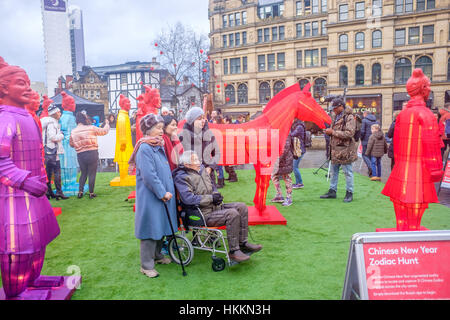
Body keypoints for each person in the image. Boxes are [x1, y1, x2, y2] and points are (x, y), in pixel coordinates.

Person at [0, 57, 60, 298]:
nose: (28, 88)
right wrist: (23, 180)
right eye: (20, 83)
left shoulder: (25, 116)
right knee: (17, 246)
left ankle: (33, 279)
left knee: (38, 239)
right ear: (3, 88)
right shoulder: (5, 118)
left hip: (34, 193)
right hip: (14, 196)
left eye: (28, 84)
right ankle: (16, 291)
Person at [173, 151, 263, 263]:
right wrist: (211, 198)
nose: (199, 162)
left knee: (242, 207)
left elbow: (212, 185)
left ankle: (242, 243)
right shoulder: (181, 177)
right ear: (187, 164)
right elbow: (188, 199)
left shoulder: (201, 169)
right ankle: (234, 251)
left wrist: (216, 195)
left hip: (214, 207)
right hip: (200, 214)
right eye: (195, 160)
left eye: (198, 159)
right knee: (232, 213)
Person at [382, 69, 443, 231]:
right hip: (418, 170)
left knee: (400, 203)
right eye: (427, 86)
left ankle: (401, 230)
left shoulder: (402, 115)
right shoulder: (427, 114)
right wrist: (436, 169)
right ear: (423, 89)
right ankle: (413, 234)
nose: (429, 89)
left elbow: (395, 143)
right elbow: (432, 146)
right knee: (416, 204)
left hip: (401, 167)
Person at [131, 114, 176, 278]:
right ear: (148, 130)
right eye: (158, 127)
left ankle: (157, 256)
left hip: (164, 194)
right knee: (150, 229)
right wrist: (161, 192)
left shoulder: (158, 145)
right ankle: (146, 265)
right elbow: (149, 175)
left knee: (161, 226)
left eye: (161, 127)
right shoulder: (144, 148)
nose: (161, 130)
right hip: (152, 196)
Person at [320, 96, 357, 203]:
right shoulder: (336, 116)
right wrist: (329, 132)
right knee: (334, 171)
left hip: (345, 150)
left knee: (348, 172)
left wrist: (332, 132)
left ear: (341, 106)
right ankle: (332, 191)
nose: (333, 110)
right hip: (335, 149)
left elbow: (350, 133)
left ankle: (349, 192)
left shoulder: (349, 117)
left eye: (335, 108)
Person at [70, 112, 110, 199]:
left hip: (80, 154)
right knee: (92, 173)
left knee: (83, 173)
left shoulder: (73, 131)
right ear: (85, 119)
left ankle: (80, 191)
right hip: (92, 152)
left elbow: (71, 144)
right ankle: (91, 193)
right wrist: (107, 124)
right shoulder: (91, 128)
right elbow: (104, 131)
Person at [179, 107, 220, 185]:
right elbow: (179, 158)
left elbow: (217, 153)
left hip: (208, 175)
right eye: (199, 118)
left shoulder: (209, 134)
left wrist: (210, 167)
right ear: (192, 121)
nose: (203, 120)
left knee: (210, 196)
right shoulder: (182, 136)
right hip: (190, 177)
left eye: (203, 118)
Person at [41, 105, 69, 200]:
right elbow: (52, 137)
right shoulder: (52, 123)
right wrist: (61, 135)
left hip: (49, 151)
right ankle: (57, 192)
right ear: (54, 113)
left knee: (50, 173)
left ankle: (50, 192)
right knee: (56, 172)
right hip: (52, 151)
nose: (60, 113)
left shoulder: (49, 122)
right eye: (58, 112)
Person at [271, 126, 295, 207]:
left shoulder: (285, 130)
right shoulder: (275, 130)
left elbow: (285, 147)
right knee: (274, 175)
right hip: (278, 158)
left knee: (287, 178)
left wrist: (277, 158)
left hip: (285, 159)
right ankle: (279, 195)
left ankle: (289, 198)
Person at [360, 111, 378, 177]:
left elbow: (362, 131)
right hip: (374, 140)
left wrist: (361, 138)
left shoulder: (364, 121)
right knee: (371, 155)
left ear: (365, 114)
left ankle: (370, 167)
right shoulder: (376, 121)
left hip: (366, 140)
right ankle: (371, 172)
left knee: (364, 155)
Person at [291, 119, 307, 189]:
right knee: (294, 166)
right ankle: (298, 182)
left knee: (295, 167)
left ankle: (300, 183)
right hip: (297, 149)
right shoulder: (297, 125)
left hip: (299, 150)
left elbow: (292, 134)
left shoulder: (299, 126)